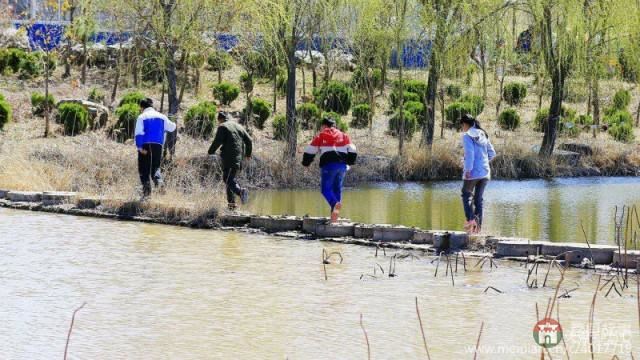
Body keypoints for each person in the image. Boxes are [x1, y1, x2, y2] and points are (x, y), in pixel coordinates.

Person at [302, 116, 357, 223]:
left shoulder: (322, 135)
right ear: (335, 126)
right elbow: (353, 149)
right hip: (342, 166)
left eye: (321, 126)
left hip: (329, 165)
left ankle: (334, 204)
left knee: (325, 190)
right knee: (337, 189)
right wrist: (350, 161)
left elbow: (310, 150)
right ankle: (334, 216)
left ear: (324, 126)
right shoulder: (343, 135)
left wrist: (306, 163)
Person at [208, 112, 252, 209]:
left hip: (228, 157)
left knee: (227, 179)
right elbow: (249, 141)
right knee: (230, 180)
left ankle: (241, 192)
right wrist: (248, 154)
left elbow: (217, 141)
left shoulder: (222, 127)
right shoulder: (239, 126)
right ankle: (232, 205)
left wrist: (211, 151)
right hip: (238, 158)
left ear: (220, 119)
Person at [134, 97, 176, 198]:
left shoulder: (142, 116)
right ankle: (159, 183)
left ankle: (147, 194)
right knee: (155, 168)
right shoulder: (162, 116)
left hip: (145, 144)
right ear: (152, 106)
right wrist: (173, 119)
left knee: (144, 169)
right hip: (158, 145)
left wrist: (139, 147)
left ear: (142, 107)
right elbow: (172, 127)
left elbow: (138, 133)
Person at [460, 114, 496, 234]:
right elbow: (492, 153)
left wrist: (469, 170)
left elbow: (470, 154)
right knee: (478, 200)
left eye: (462, 125)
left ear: (465, 124)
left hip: (473, 173)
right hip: (485, 173)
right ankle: (477, 229)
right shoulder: (483, 134)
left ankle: (470, 220)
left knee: (466, 194)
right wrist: (483, 164)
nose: (462, 128)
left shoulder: (467, 136)